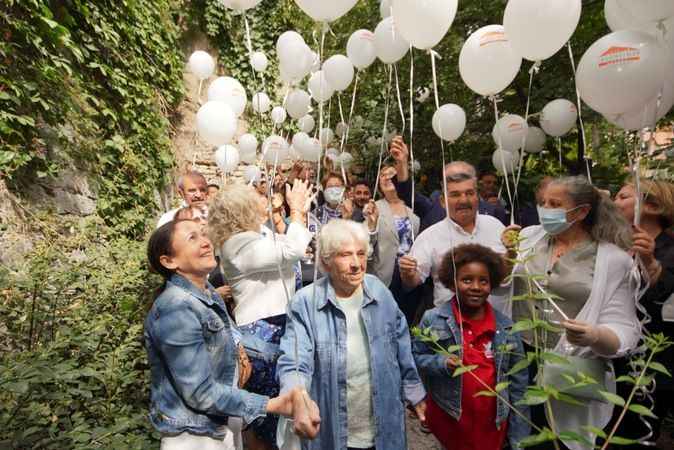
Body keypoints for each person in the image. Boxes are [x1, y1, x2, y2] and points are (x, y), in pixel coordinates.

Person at [144, 219, 320, 450]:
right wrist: (272, 404)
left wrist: (294, 354)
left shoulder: (207, 295)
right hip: (195, 437)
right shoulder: (176, 309)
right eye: (192, 238)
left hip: (222, 426)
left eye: (203, 234)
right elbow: (200, 393)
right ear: (169, 261)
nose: (206, 242)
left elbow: (238, 341)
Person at [501, 175, 640, 450]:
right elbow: (502, 284)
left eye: (555, 204)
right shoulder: (529, 237)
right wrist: (509, 253)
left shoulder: (613, 260)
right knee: (517, 433)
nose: (545, 210)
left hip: (570, 366)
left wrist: (595, 336)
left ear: (582, 212)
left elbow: (625, 328)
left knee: (561, 439)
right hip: (519, 358)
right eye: (543, 203)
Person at [277, 219, 427, 450]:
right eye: (345, 255)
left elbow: (400, 342)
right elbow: (295, 360)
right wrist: (298, 396)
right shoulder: (305, 302)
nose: (356, 263)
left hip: (383, 423)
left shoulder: (378, 290)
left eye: (360, 253)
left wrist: (414, 392)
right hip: (333, 428)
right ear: (326, 263)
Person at [208, 180, 314, 450]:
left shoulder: (255, 236)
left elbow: (291, 246)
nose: (262, 201)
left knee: (277, 417)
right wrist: (298, 211)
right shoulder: (236, 244)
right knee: (264, 419)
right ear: (241, 209)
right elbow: (292, 250)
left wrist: (292, 220)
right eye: (254, 197)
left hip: (276, 327)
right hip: (263, 333)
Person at [413, 244, 530, 450]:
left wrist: (519, 438)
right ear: (452, 283)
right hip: (450, 420)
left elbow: (519, 385)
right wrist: (441, 363)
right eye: (467, 280)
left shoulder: (506, 328)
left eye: (483, 281)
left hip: (492, 425)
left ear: (492, 284)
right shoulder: (433, 319)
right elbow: (416, 357)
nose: (476, 286)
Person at [612, 179, 674, 448]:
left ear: (652, 206)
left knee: (639, 433)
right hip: (621, 357)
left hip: (656, 361)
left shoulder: (669, 249)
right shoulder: (616, 247)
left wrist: (649, 261)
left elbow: (662, 292)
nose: (615, 202)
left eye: (623, 196)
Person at [398, 162, 507, 310]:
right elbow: (413, 281)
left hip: (498, 326)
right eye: (455, 195)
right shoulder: (430, 236)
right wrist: (408, 273)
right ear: (443, 201)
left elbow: (511, 271)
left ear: (477, 197)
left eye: (469, 193)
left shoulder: (496, 227)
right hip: (451, 328)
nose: (463, 200)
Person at [389, 137, 508, 229]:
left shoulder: (493, 213)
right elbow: (407, 193)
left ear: (475, 185)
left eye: (464, 178)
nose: (463, 200)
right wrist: (402, 163)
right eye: (453, 180)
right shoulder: (431, 210)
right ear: (443, 186)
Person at [371, 165, 420, 324]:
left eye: (390, 174)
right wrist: (371, 225)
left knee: (409, 322)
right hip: (385, 276)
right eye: (382, 175)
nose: (386, 177)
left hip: (411, 276)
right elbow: (366, 245)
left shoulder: (414, 206)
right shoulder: (374, 208)